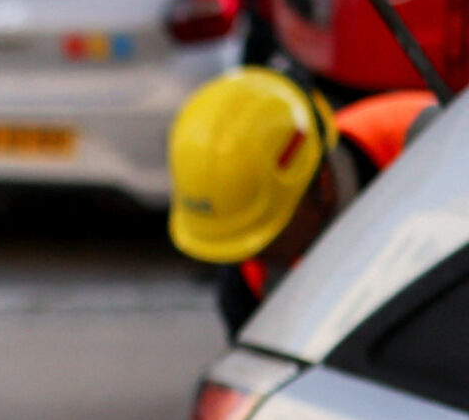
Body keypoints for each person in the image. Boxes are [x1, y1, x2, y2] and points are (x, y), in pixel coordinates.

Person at [168, 66, 440, 334]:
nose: (252, 259)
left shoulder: (428, 145)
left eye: (267, 240)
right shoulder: (248, 279)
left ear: (320, 186)